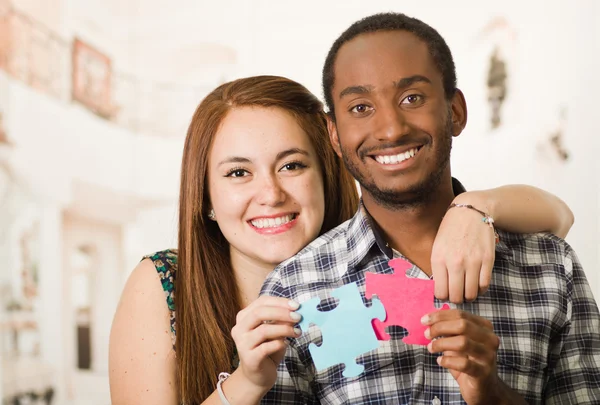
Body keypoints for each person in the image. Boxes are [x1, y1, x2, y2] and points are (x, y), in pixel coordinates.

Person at [108, 75, 575, 405]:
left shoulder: (376, 260)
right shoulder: (162, 283)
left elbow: (559, 217)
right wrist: (247, 383)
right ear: (205, 196)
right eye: (237, 173)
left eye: (292, 165)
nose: (270, 194)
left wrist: (473, 206)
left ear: (328, 172)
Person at [260, 13, 600, 405]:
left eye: (412, 98)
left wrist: (491, 392)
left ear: (455, 111)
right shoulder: (293, 290)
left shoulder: (551, 268)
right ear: (334, 134)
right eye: (359, 107)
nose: (390, 129)